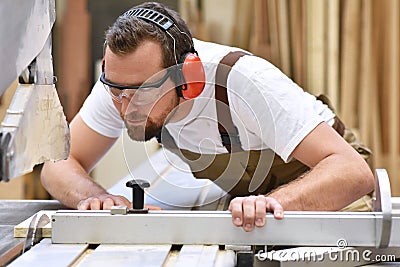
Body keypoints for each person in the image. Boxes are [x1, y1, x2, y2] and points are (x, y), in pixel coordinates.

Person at [41, 1, 374, 232]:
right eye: (117, 93)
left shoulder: (246, 83)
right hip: (255, 195)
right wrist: (96, 198)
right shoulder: (122, 81)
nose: (126, 109)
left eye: (143, 95)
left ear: (189, 78)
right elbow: (58, 163)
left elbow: (352, 172)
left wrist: (272, 203)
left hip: (324, 177)